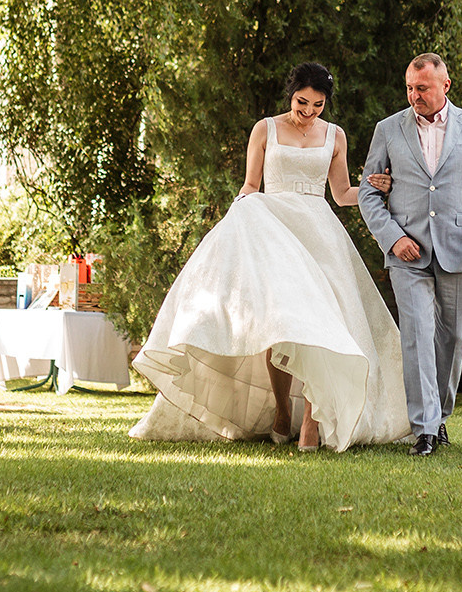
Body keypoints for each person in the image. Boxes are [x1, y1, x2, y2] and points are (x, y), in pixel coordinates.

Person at [131, 62, 413, 453]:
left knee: (323, 326)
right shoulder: (265, 128)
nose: (309, 111)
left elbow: (342, 193)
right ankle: (281, 411)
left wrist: (371, 187)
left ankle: (312, 426)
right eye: (302, 102)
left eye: (317, 105)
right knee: (280, 327)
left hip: (319, 234)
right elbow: (251, 183)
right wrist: (241, 213)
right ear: (291, 94)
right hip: (275, 232)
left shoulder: (335, 135)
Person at [359, 54, 462, 456]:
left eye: (421, 88)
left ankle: (440, 415)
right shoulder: (388, 129)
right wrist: (392, 238)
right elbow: (368, 193)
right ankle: (423, 428)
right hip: (407, 254)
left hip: (461, 251)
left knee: (452, 337)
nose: (414, 95)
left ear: (445, 85)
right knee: (418, 336)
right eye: (409, 87)